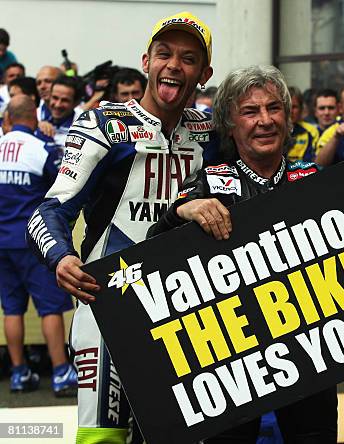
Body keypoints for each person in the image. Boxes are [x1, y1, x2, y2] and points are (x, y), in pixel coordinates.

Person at [148, 64, 344, 443]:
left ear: (289, 119)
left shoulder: (315, 180)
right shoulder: (209, 181)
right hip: (232, 371)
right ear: (229, 123)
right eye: (250, 111)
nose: (265, 121)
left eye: (274, 109)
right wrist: (182, 212)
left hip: (311, 361)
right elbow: (154, 251)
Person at [27, 11, 217, 443]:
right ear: (146, 61)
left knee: (176, 434)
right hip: (108, 304)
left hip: (183, 304)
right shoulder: (102, 125)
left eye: (188, 58)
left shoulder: (209, 131)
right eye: (164, 53)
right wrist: (62, 257)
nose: (174, 65)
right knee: (102, 437)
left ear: (203, 74)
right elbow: (49, 212)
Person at [0, 96, 77, 395]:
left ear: (7, 119)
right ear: (34, 117)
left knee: (12, 310)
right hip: (32, 241)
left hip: (2, 244)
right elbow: (60, 189)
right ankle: (60, 372)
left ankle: (19, 373)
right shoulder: (40, 149)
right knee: (49, 309)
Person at [44, 75, 83, 148]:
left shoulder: (83, 131)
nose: (57, 105)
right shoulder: (39, 121)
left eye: (65, 100)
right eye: (55, 98)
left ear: (76, 103)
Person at [287, 86, 319, 162]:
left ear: (301, 109)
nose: (290, 111)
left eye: (294, 107)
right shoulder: (275, 130)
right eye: (287, 106)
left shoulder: (311, 131)